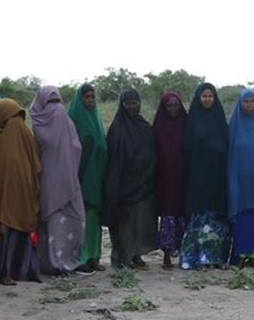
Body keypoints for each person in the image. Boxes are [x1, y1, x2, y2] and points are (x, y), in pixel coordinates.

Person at [0, 98, 42, 285]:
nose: (15, 121)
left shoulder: (20, 135)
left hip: (8, 199)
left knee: (8, 233)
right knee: (6, 234)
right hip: (1, 197)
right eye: (11, 117)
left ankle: (10, 271)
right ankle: (8, 270)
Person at [31, 85, 86, 276]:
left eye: (57, 101)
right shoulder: (38, 126)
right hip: (49, 183)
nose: (55, 107)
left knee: (75, 221)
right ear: (41, 103)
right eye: (50, 102)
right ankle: (52, 263)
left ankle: (70, 259)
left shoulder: (67, 123)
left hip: (70, 181)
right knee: (52, 223)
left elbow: (77, 148)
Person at [103, 89, 159, 269]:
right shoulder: (117, 128)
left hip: (142, 181)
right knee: (124, 223)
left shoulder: (144, 127)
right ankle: (123, 257)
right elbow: (113, 158)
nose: (131, 107)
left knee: (139, 221)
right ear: (122, 105)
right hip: (122, 183)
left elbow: (152, 152)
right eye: (127, 104)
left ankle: (136, 255)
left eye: (134, 103)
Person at [180, 81, 231, 270]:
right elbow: (187, 150)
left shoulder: (219, 118)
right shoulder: (192, 120)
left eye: (210, 96)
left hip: (217, 175)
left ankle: (216, 258)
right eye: (204, 96)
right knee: (200, 216)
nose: (207, 99)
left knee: (216, 217)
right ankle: (197, 258)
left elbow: (226, 145)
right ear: (198, 98)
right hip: (198, 176)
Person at [225, 88, 254, 266]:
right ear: (240, 103)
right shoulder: (234, 127)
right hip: (240, 181)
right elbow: (229, 155)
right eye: (246, 101)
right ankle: (240, 255)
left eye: (253, 101)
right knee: (242, 218)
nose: (249, 105)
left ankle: (252, 255)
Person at [69, 83, 108, 273]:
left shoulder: (97, 119)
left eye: (93, 97)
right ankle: (80, 257)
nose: (91, 100)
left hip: (97, 177)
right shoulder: (74, 120)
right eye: (87, 97)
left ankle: (94, 256)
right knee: (81, 219)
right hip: (81, 177)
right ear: (80, 99)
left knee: (94, 220)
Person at [153, 90, 188, 269]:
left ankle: (182, 253)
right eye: (169, 106)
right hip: (165, 177)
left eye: (175, 105)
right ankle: (166, 254)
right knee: (168, 214)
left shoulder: (186, 123)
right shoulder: (158, 125)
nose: (173, 109)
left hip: (183, 176)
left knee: (182, 214)